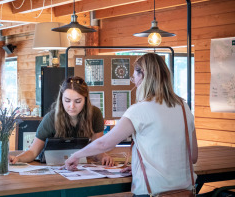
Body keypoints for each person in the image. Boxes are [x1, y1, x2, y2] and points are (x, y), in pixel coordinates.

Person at [65, 53, 198, 196]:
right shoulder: (184, 107)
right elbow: (193, 156)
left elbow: (105, 144)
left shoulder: (139, 110)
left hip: (152, 193)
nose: (134, 82)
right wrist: (138, 167)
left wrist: (76, 155)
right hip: (186, 192)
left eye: (134, 77)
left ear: (143, 75)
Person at [10, 76, 114, 166]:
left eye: (78, 101)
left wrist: (103, 156)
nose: (72, 106)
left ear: (86, 100)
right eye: (67, 100)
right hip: (53, 167)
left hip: (80, 166)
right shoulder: (50, 118)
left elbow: (97, 148)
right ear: (61, 99)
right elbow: (33, 152)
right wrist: (17, 159)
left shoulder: (95, 114)